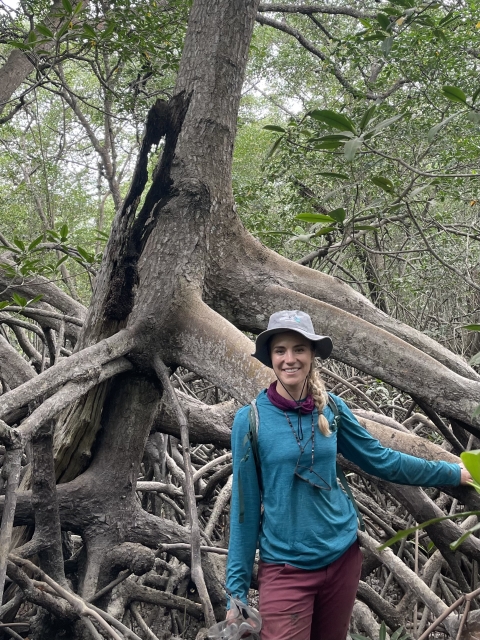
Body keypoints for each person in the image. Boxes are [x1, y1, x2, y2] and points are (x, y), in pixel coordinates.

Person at [225, 310, 472, 640]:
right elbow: (244, 512)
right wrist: (236, 594)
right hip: (286, 570)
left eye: (299, 349)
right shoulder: (251, 420)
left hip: (342, 559)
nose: (290, 359)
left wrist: (451, 472)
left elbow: (381, 460)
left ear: (312, 355)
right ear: (270, 357)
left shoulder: (332, 409)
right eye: (280, 350)